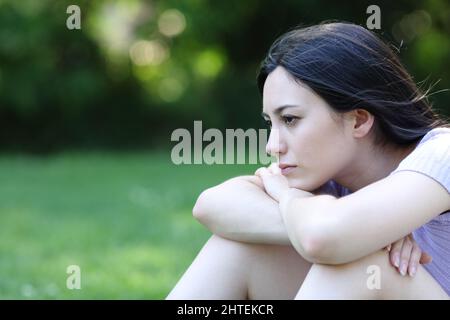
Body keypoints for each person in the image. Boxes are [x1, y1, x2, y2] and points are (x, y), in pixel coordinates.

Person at [167, 22, 450, 299]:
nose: (271, 146)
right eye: (271, 123)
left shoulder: (442, 154)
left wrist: (293, 201)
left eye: (290, 119)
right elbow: (211, 204)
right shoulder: (328, 177)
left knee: (363, 262)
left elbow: (322, 237)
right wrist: (348, 233)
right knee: (238, 246)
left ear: (358, 120)